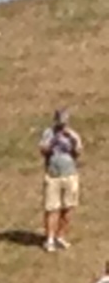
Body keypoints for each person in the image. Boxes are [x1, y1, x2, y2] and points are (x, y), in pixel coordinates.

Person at [40, 108, 84, 253]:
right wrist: (53, 141)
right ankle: (50, 239)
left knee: (68, 207)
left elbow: (78, 152)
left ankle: (61, 236)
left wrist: (71, 139)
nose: (62, 124)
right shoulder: (48, 133)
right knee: (52, 208)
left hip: (70, 174)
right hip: (53, 175)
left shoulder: (73, 135)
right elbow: (43, 151)